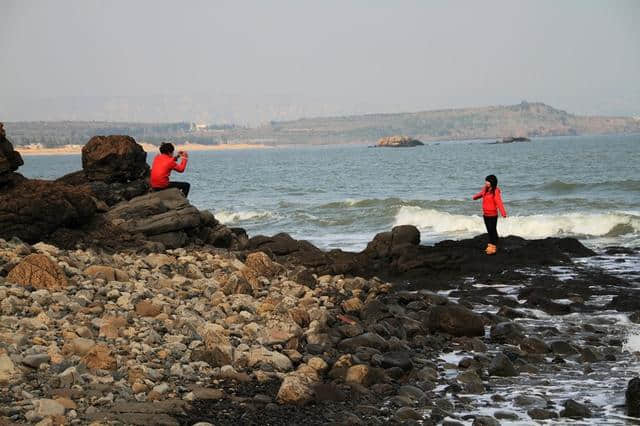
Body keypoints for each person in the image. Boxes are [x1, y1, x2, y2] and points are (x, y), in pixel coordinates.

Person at [472, 174, 507, 255]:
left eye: (487, 181)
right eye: (486, 181)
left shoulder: (495, 191)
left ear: (492, 182)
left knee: (492, 230)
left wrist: (503, 213)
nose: (486, 182)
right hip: (486, 214)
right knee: (489, 230)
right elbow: (481, 194)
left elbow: (499, 202)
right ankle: (493, 244)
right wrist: (475, 197)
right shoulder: (485, 189)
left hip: (493, 215)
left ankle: (493, 246)